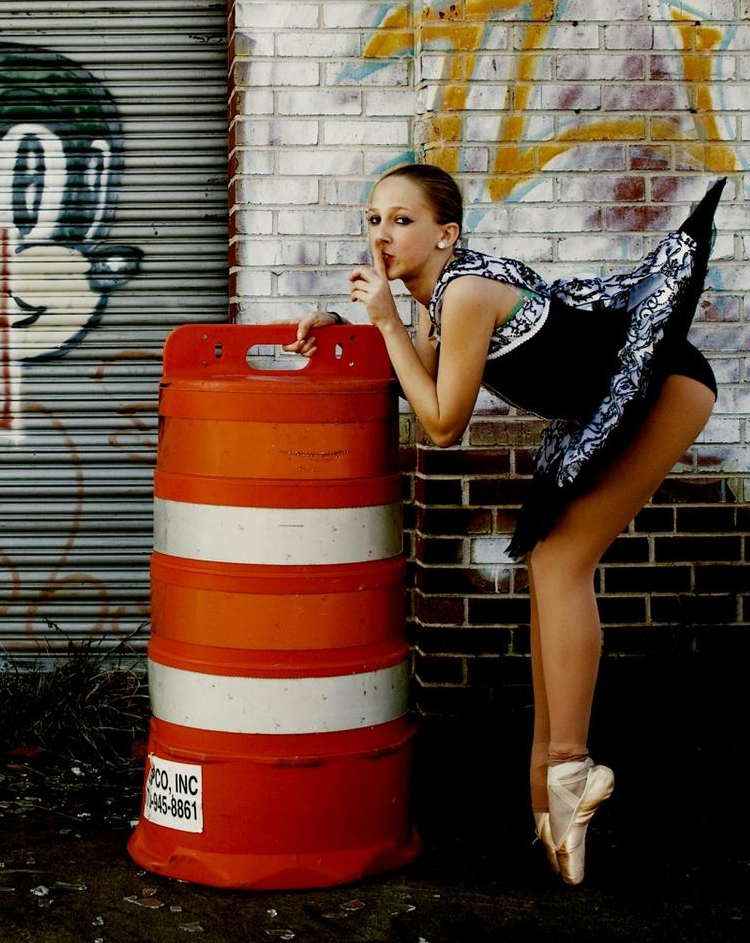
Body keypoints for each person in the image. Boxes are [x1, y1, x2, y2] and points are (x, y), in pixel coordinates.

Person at [289, 163, 723, 886]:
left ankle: (571, 768)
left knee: (561, 564)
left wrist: (386, 321)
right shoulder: (435, 300)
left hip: (660, 384)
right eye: (373, 219)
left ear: (445, 235)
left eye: (402, 220)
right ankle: (548, 798)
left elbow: (442, 424)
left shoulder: (462, 294)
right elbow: (417, 375)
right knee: (547, 565)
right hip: (602, 404)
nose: (383, 234)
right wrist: (346, 330)